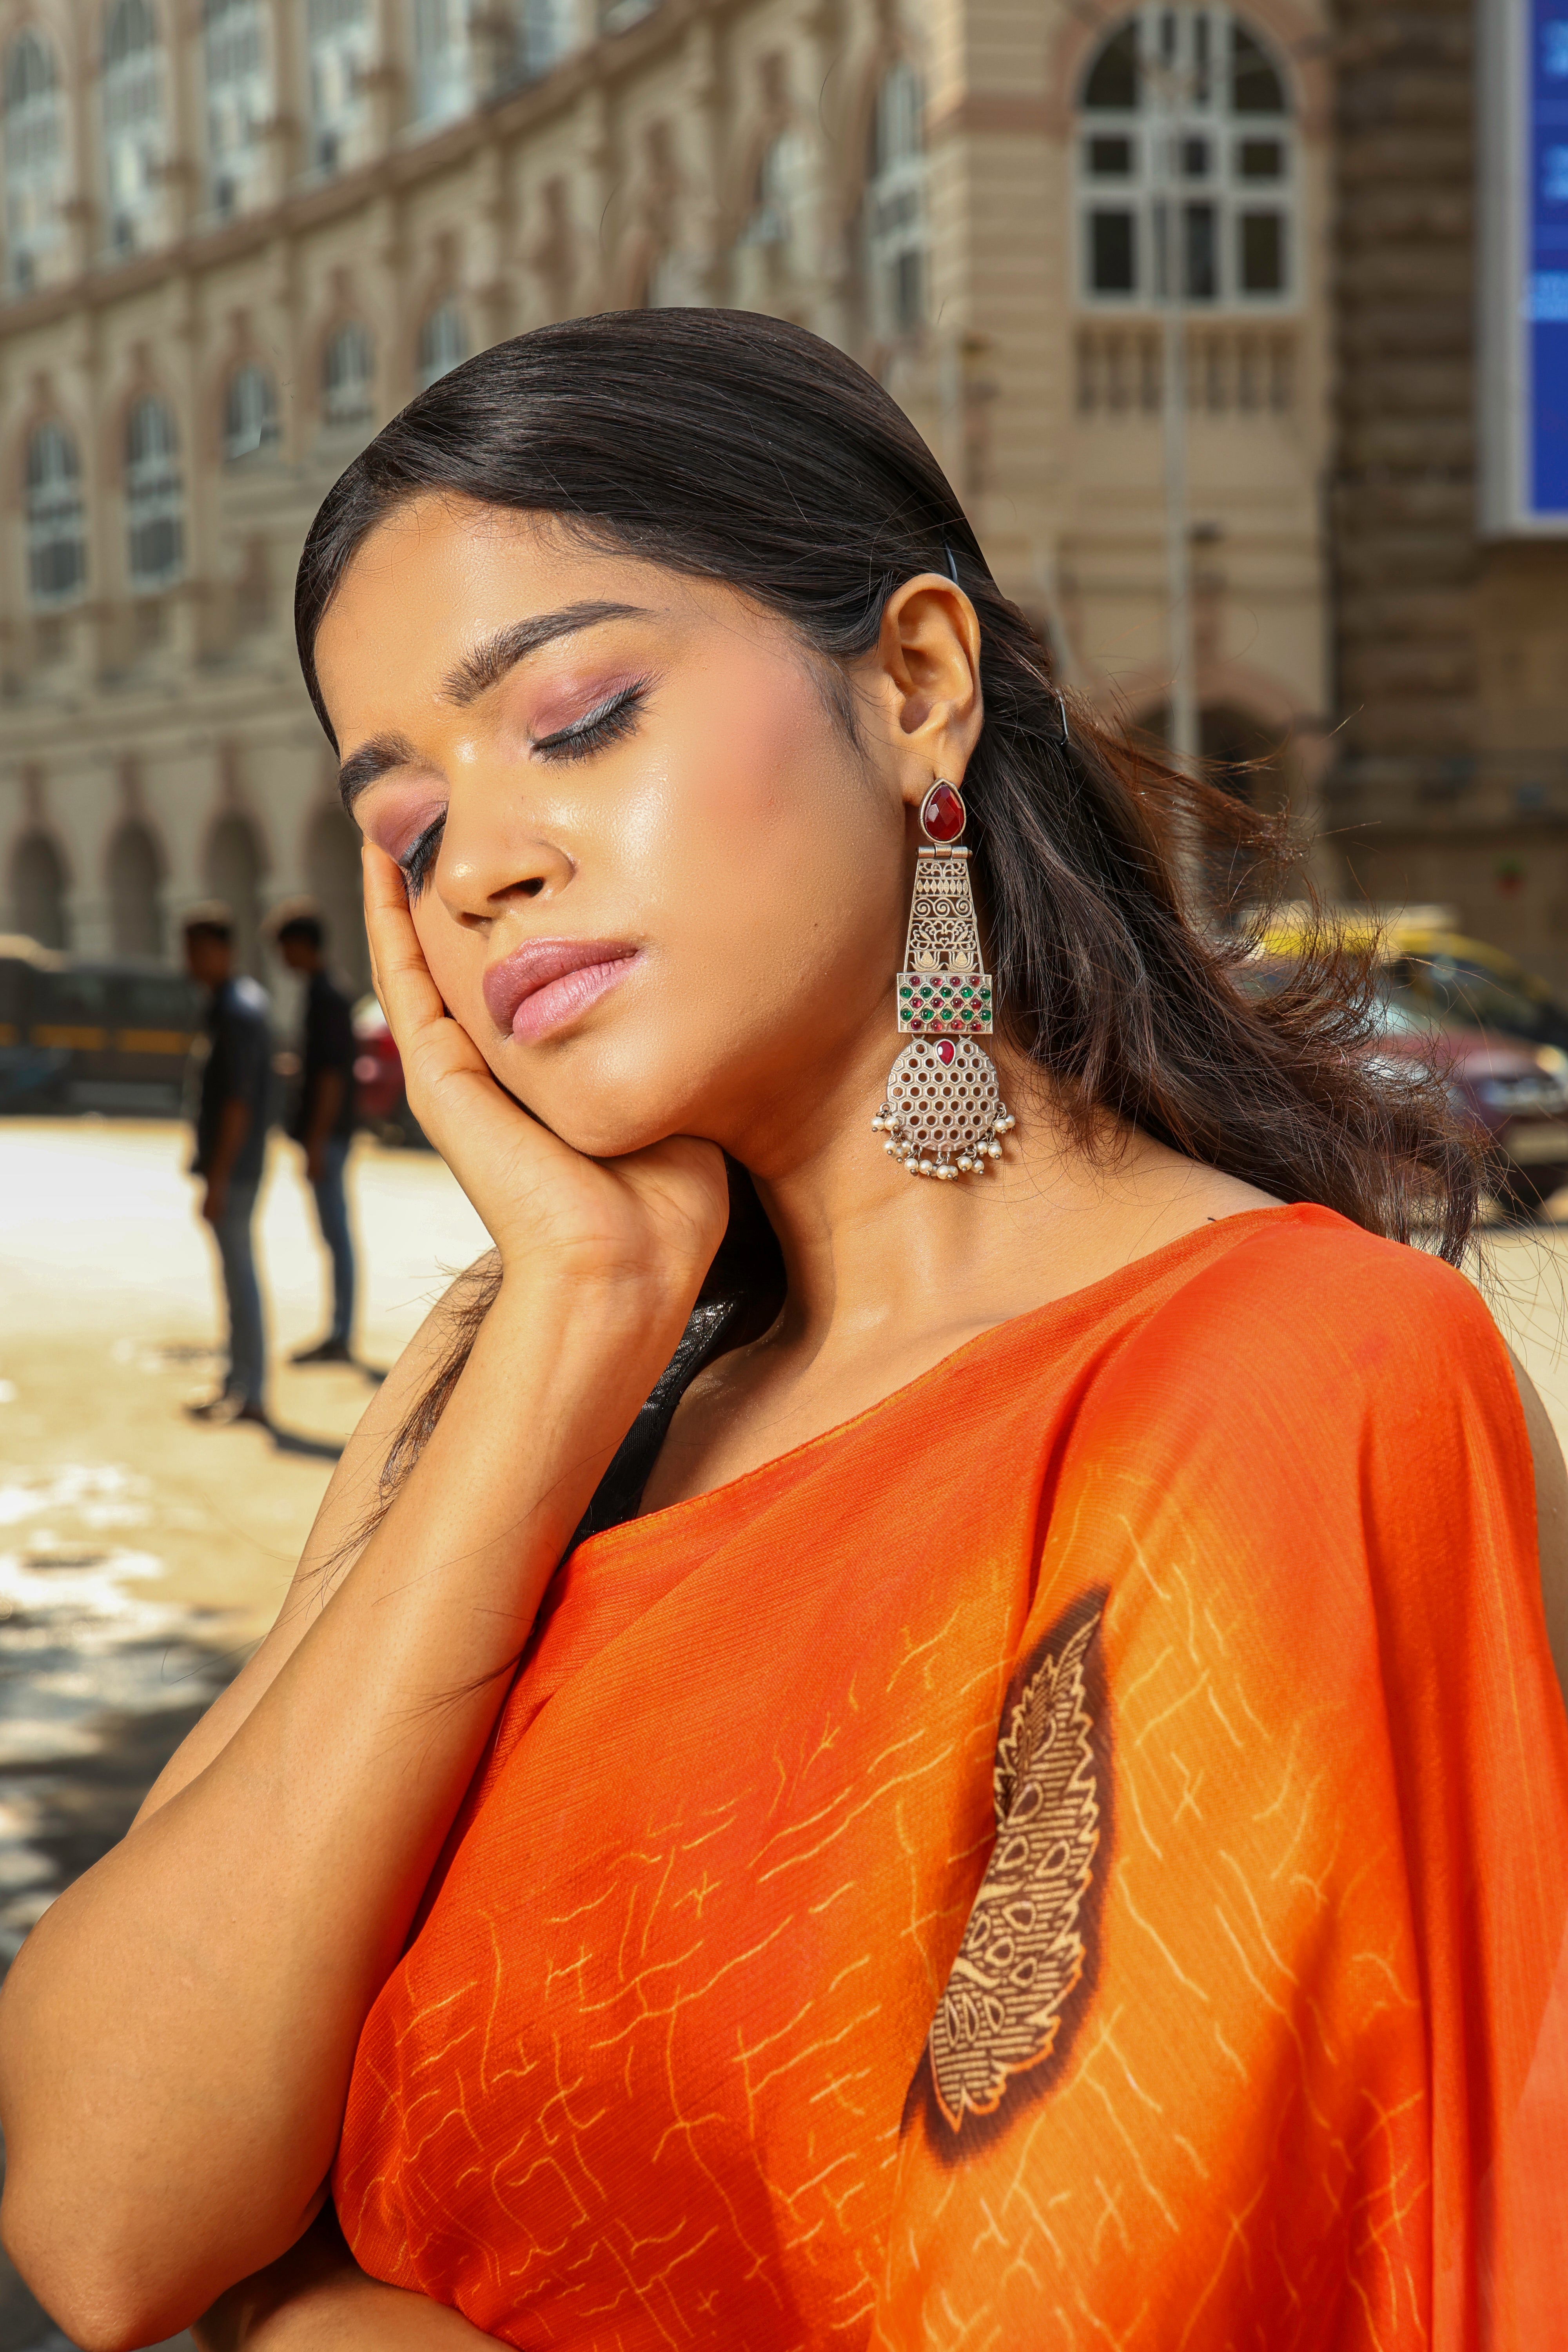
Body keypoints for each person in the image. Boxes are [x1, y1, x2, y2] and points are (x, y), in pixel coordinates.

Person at [2, 313, 1566, 2351]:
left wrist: (292, 2307)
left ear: (913, 681)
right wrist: (572, 1317)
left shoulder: (1278, 1385)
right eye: (399, 824)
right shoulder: (523, 1389)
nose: (481, 862)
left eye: (574, 719)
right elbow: (106, 2217)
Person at [180, 903, 272, 1430]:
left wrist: (216, 1178)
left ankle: (251, 1389)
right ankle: (238, 1381)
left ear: (221, 950)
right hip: (233, 1166)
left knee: (240, 1278)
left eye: (196, 950)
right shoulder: (232, 1004)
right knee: (235, 1277)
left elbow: (237, 1104)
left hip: (236, 1169)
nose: (189, 962)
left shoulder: (237, 1011)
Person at [266, 897, 359, 1365]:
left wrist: (318, 1141)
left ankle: (341, 1333)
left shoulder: (326, 997)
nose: (283, 961)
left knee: (336, 1235)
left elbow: (329, 1077)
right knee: (334, 1234)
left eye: (285, 949)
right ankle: (339, 1330)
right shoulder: (323, 993)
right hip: (329, 1133)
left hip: (331, 1134)